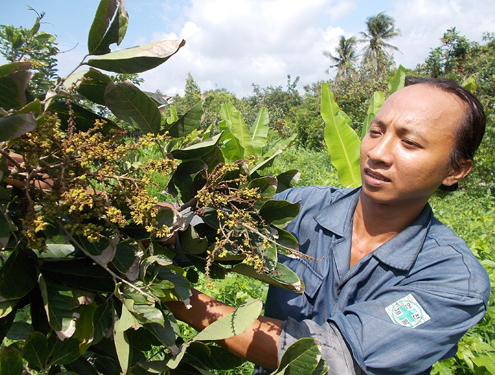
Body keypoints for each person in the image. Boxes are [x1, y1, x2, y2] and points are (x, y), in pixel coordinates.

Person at [166, 77, 491, 375]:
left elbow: (327, 356)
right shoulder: (301, 208)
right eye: (376, 132)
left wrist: (174, 296)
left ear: (455, 170)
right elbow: (199, 234)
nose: (377, 153)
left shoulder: (454, 281)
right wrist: (161, 226)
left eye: (409, 143)